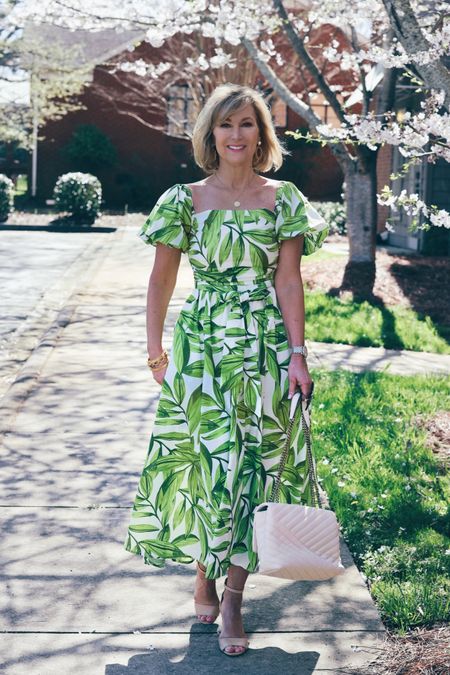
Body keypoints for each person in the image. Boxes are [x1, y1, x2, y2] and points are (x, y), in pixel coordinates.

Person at [124, 83, 330, 657]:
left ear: (262, 134)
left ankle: (234, 597)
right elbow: (162, 279)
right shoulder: (182, 200)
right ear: (209, 134)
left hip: (262, 347)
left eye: (247, 124)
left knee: (254, 467)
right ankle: (203, 572)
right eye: (225, 125)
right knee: (209, 464)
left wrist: (298, 352)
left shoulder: (284, 198)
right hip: (202, 347)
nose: (236, 135)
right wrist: (154, 348)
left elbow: (288, 281)